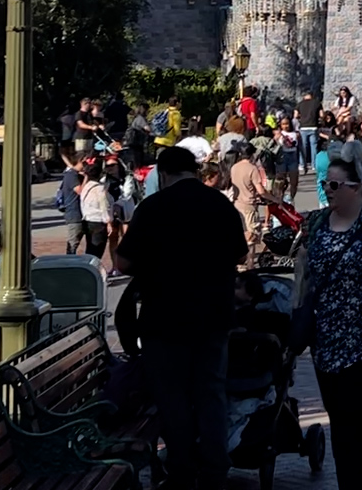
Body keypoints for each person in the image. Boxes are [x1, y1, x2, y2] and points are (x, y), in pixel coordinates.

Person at [116, 146, 247, 489]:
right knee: (211, 392)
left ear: (164, 173)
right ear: (194, 171)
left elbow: (123, 263)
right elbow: (240, 253)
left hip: (164, 318)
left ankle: (182, 469)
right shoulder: (221, 205)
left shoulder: (153, 208)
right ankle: (216, 469)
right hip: (214, 316)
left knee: (172, 396)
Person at [285, 156, 362, 490]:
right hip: (325, 342)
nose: (327, 190)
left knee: (353, 417)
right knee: (339, 419)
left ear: (356, 188)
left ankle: (353, 484)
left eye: (335, 184)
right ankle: (347, 481)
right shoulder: (318, 224)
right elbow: (304, 276)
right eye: (325, 183)